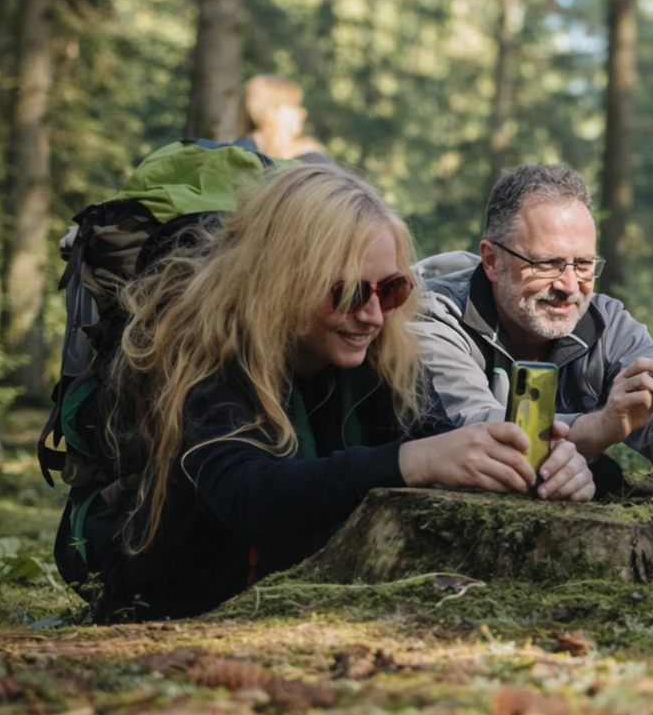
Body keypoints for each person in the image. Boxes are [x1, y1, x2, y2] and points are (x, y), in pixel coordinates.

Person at [88, 165, 593, 619]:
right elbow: (250, 496)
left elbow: (445, 447)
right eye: (349, 292)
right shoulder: (198, 351)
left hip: (316, 609)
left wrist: (560, 470)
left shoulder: (386, 353)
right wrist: (414, 460)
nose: (374, 315)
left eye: (392, 289)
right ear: (285, 282)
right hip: (179, 611)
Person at [411, 163, 653, 490]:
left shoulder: (606, 324)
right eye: (547, 263)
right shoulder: (434, 318)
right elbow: (470, 432)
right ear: (493, 261)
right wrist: (596, 429)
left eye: (583, 265)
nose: (569, 285)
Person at [232, 75, 330, 162]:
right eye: (294, 105)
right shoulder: (242, 157)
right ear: (271, 111)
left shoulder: (302, 152)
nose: (303, 113)